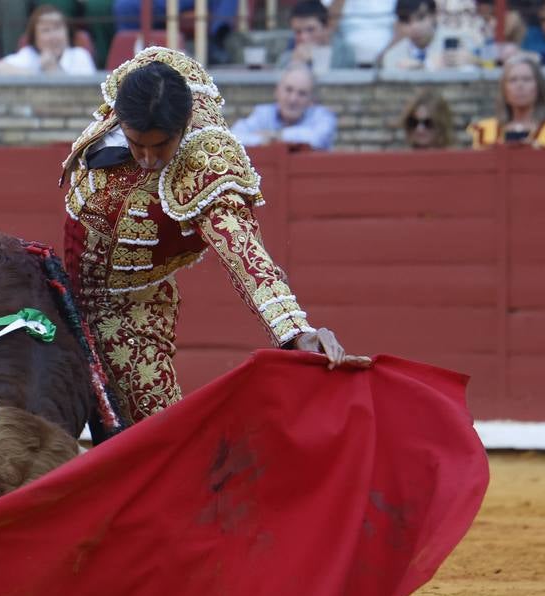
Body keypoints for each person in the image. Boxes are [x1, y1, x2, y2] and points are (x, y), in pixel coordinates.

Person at [61, 47, 367, 427]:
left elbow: (243, 251)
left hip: (128, 312)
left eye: (160, 146)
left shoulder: (205, 166)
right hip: (61, 290)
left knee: (155, 442)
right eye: (137, 143)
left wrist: (295, 330)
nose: (147, 158)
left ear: (183, 126)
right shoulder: (146, 81)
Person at [468, 54, 545, 148]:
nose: (519, 85)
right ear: (504, 89)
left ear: (538, 87)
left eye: (527, 79)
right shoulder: (484, 131)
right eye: (513, 80)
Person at [229, 64, 337, 152]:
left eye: (302, 93)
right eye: (288, 90)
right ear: (277, 91)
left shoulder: (322, 116)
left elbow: (317, 138)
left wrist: (276, 136)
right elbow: (233, 138)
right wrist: (262, 139)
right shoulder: (264, 114)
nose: (293, 99)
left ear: (311, 100)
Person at [0, 4, 96, 75]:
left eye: (57, 28)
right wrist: (37, 74)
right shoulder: (29, 54)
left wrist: (52, 69)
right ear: (35, 38)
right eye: (46, 30)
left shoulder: (80, 55)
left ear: (67, 32)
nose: (53, 36)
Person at [379, 0, 478, 69]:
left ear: (434, 15)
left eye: (420, 18)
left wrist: (474, 62)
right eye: (406, 21)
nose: (414, 27)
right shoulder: (392, 57)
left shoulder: (463, 41)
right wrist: (426, 66)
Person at [276, 0, 355, 71]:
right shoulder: (291, 50)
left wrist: (316, 60)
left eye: (310, 30)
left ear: (326, 28)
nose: (303, 37)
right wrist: (295, 62)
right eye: (298, 31)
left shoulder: (344, 52)